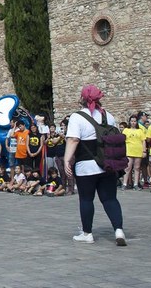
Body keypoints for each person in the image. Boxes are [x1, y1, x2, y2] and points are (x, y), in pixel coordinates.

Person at [64, 84, 126, 246]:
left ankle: (87, 234)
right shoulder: (108, 116)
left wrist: (66, 159)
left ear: (82, 99)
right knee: (110, 199)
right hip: (107, 164)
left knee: (86, 199)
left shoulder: (77, 117)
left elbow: (73, 139)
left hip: (86, 166)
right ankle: (118, 230)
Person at [122, 115, 147, 190]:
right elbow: (122, 140)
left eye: (134, 121)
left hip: (138, 150)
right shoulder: (126, 130)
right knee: (127, 167)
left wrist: (144, 151)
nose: (133, 123)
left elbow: (143, 141)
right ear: (129, 122)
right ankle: (124, 183)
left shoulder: (140, 131)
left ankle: (136, 184)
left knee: (137, 168)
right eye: (132, 121)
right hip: (129, 150)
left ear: (136, 122)